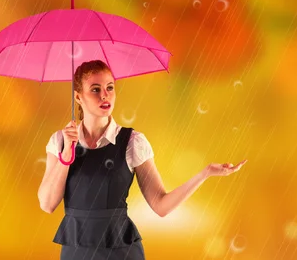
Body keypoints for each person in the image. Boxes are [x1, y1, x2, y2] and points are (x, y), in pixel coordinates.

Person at [37, 60, 248, 260]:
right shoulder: (59, 142)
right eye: (95, 89)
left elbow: (160, 205)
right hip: (76, 253)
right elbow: (47, 204)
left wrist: (205, 173)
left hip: (121, 252)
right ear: (78, 97)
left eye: (110, 88)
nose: (105, 96)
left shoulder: (132, 142)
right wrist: (66, 156)